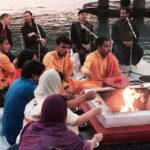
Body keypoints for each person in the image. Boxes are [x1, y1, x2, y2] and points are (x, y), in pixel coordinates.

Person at [24, 69, 101, 135]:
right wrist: (95, 111)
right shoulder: (50, 102)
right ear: (55, 84)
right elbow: (77, 121)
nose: (63, 85)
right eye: (61, 82)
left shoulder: (40, 94)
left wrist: (85, 98)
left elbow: (62, 105)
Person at [19, 94, 103, 150]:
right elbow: (86, 148)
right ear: (63, 113)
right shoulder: (61, 134)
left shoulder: (31, 125)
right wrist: (95, 139)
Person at [2, 60, 45, 145]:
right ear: (34, 76)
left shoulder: (17, 81)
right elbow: (53, 99)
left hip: (8, 131)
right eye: (42, 75)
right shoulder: (31, 88)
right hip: (15, 136)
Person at [0, 36, 15, 106]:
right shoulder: (3, 57)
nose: (9, 46)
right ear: (0, 46)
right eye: (6, 44)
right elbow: (12, 70)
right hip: (2, 91)